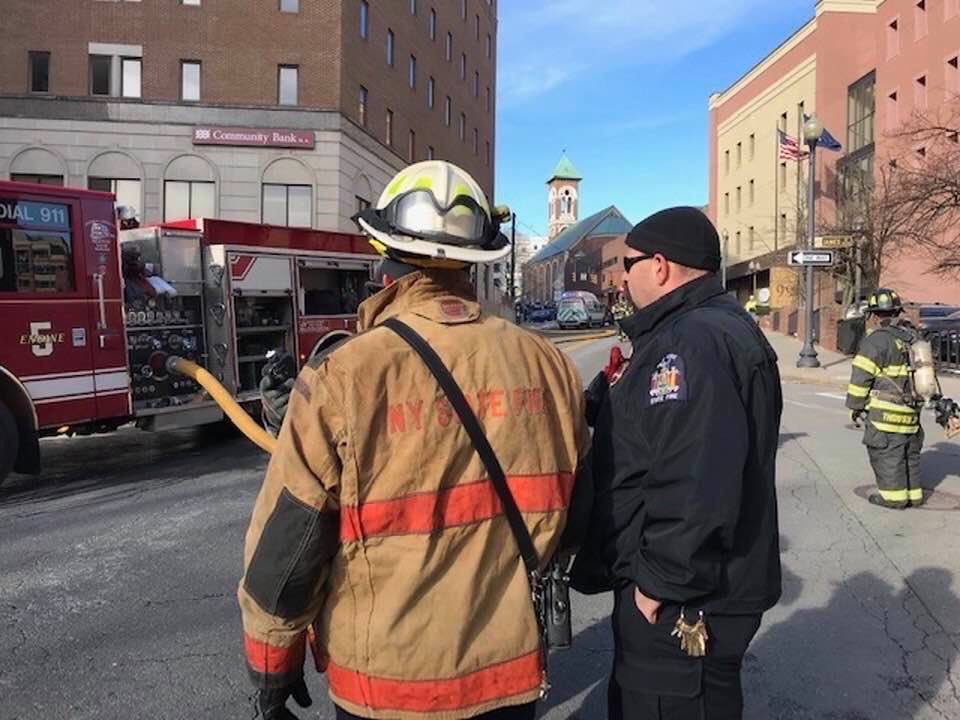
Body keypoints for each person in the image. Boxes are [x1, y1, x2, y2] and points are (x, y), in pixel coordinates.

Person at [239, 160, 592, 720]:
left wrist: (271, 668)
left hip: (385, 687)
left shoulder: (342, 377)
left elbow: (288, 551)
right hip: (507, 674)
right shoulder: (549, 365)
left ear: (386, 267)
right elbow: (576, 519)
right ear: (475, 268)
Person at [572, 206, 783, 720]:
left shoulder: (689, 344)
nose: (623, 276)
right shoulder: (703, 329)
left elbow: (696, 479)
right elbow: (649, 422)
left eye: (631, 264)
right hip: (696, 587)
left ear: (661, 266)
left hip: (684, 599)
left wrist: (660, 583)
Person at [845, 288, 925, 509]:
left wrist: (855, 406)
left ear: (873, 315)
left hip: (885, 417)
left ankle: (894, 498)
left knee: (887, 457)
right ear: (898, 312)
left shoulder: (875, 342)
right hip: (911, 415)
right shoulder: (912, 338)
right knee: (910, 456)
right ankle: (914, 495)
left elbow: (860, 378)